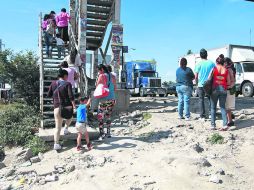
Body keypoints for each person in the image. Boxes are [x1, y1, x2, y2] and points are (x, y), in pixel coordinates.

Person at [47, 69, 76, 150]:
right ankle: (66, 129)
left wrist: (54, 100)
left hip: (56, 108)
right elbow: (71, 96)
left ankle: (56, 144)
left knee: (57, 128)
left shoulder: (53, 83)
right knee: (70, 117)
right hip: (66, 107)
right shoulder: (67, 84)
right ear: (65, 76)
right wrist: (74, 106)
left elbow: (49, 94)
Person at [210, 55, 231, 130]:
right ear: (222, 63)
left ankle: (213, 125)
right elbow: (228, 82)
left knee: (213, 107)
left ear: (216, 62)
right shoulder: (226, 70)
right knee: (222, 107)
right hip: (223, 89)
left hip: (215, 89)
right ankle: (225, 124)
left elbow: (209, 78)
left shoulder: (214, 69)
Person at [96, 64, 117, 140]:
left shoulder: (101, 76)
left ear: (101, 69)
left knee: (100, 116)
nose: (98, 72)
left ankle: (102, 134)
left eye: (98, 70)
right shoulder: (113, 76)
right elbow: (115, 89)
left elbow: (97, 86)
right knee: (108, 115)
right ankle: (108, 133)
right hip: (112, 99)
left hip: (103, 99)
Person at [195, 48, 215, 120]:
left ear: (200, 55)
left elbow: (196, 76)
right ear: (207, 55)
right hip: (210, 84)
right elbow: (214, 73)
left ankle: (202, 116)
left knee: (201, 100)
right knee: (210, 100)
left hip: (201, 85)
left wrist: (196, 84)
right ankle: (210, 114)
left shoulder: (198, 64)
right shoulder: (212, 63)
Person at [224, 57, 236, 127]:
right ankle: (230, 119)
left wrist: (229, 86)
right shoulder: (232, 69)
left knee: (227, 106)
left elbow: (233, 81)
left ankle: (230, 121)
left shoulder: (228, 70)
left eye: (224, 63)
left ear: (226, 63)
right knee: (228, 106)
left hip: (229, 89)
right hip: (231, 89)